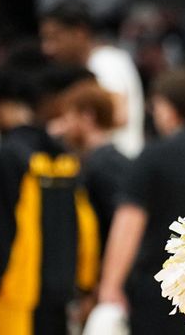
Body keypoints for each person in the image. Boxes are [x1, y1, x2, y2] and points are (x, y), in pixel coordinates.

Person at [97, 69, 185, 335]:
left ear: (170, 110)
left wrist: (110, 285)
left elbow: (128, 224)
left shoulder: (152, 157)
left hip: (157, 291)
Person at [0, 64, 98, 335]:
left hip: (20, 290)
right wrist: (85, 282)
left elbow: (6, 227)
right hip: (63, 287)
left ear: (0, 106)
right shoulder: (62, 152)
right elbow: (85, 222)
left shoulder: (9, 153)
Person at [40, 1, 144, 158]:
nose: (47, 48)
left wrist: (67, 125)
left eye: (55, 38)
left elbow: (118, 114)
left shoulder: (106, 62)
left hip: (119, 161)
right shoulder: (92, 64)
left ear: (79, 32)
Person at [52, 81, 131, 254]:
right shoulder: (104, 161)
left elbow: (118, 225)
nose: (64, 127)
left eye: (68, 118)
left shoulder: (106, 165)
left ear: (88, 116)